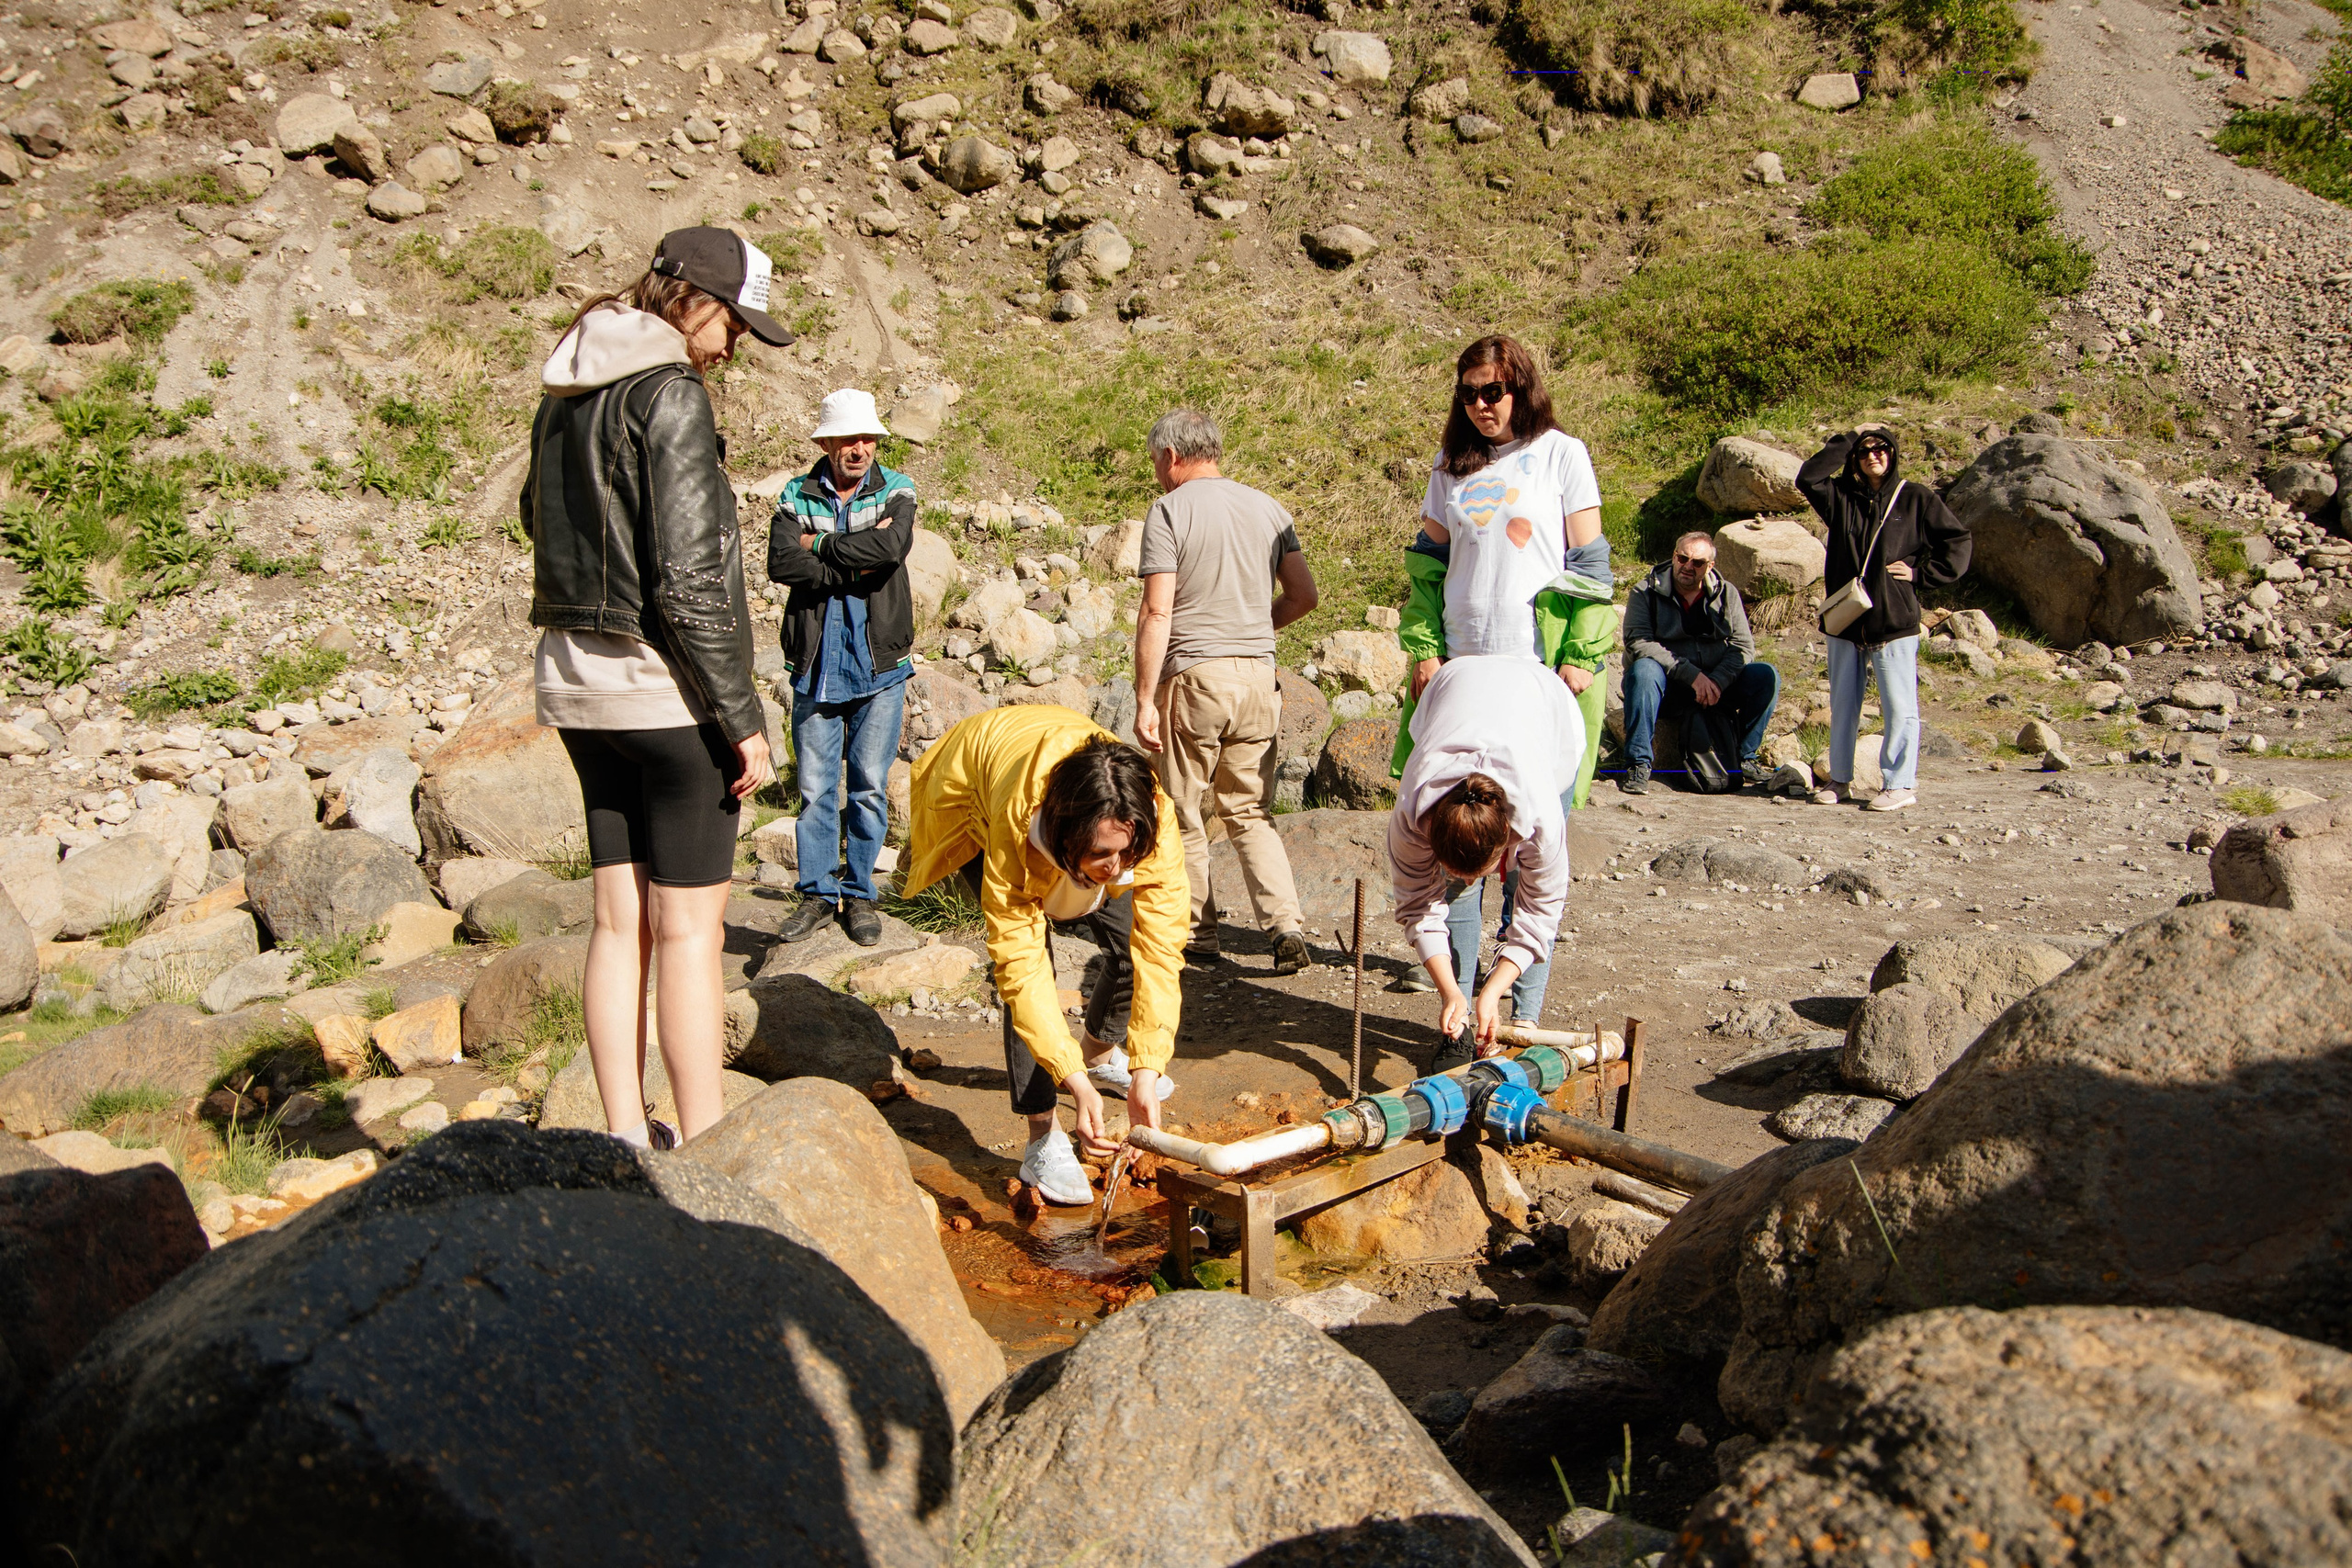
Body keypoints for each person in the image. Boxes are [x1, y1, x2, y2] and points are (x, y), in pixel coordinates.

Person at [522, 226, 786, 1149]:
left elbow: (536, 518)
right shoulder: (669, 392)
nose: (734, 345)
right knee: (689, 933)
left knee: (615, 921)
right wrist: (742, 720)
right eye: (735, 324)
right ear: (694, 300)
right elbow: (687, 578)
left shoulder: (566, 387)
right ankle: (706, 1142)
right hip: (666, 691)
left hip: (575, 682)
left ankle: (626, 1138)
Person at [1393, 334, 1607, 1022]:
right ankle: (1458, 1014)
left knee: (1531, 852)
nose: (1482, 405)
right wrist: (1426, 646)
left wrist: (1582, 652)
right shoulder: (1451, 466)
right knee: (1458, 852)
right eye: (1468, 393)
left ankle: (1520, 1019)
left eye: (1494, 391)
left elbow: (1593, 566)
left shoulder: (1561, 455)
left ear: (1522, 387)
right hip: (1462, 667)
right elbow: (1427, 567)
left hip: (1542, 668)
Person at [901, 705, 1188, 1205]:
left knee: (1127, 946)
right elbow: (1022, 969)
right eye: (1100, 855)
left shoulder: (1146, 819)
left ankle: (1100, 1055)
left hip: (1055, 766)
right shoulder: (1016, 827)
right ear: (1066, 837)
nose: (1116, 868)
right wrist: (1069, 1084)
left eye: (1127, 854)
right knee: (1037, 976)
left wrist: (1149, 1067)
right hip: (974, 783)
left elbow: (1160, 951)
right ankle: (1041, 1137)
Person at [1129, 408, 1317, 976]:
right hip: (1259, 677)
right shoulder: (1269, 509)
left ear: (1171, 456)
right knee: (1250, 811)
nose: (1158, 475)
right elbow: (1305, 596)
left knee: (1183, 809)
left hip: (1194, 677)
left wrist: (1143, 698)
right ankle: (1284, 927)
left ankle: (1197, 935)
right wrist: (1253, 628)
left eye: (1156, 463)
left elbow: (1157, 609)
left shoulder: (1168, 510)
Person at [767, 389, 919, 947]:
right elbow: (781, 562)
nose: (859, 448)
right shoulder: (794, 493)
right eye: (848, 438)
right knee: (814, 787)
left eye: (867, 438)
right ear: (826, 443)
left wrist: (820, 544)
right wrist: (849, 560)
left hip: (879, 665)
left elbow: (890, 552)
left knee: (870, 786)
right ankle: (815, 893)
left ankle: (858, 895)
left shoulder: (897, 489)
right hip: (816, 663)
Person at [1390, 657, 1584, 1072]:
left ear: (1508, 840)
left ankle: (1522, 1024)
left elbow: (1540, 911)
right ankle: (1458, 1026)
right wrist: (1449, 992)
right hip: (1456, 686)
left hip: (1544, 705)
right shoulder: (1411, 809)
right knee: (1457, 897)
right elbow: (1418, 905)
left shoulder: (1539, 816)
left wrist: (1493, 989)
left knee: (1522, 891)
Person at [1796, 428, 1973, 813]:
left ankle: (1899, 785)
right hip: (1846, 618)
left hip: (1893, 619)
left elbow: (1957, 541)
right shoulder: (1840, 497)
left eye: (1880, 449)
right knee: (1844, 703)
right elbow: (1808, 478)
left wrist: (1922, 575)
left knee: (1899, 705)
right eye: (1864, 452)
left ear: (1893, 454)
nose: (1873, 456)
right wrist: (1848, 439)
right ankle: (1840, 780)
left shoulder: (1916, 497)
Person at [1619, 532, 1781, 795]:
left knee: (1766, 676)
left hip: (1715, 687)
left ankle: (1744, 757)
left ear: (1710, 567)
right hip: (1668, 685)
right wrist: (1692, 676)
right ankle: (1638, 764)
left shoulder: (1727, 593)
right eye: (1683, 558)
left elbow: (1743, 646)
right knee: (1644, 669)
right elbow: (1638, 642)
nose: (1688, 566)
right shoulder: (1645, 591)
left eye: (1697, 562)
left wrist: (1717, 680)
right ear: (1674, 556)